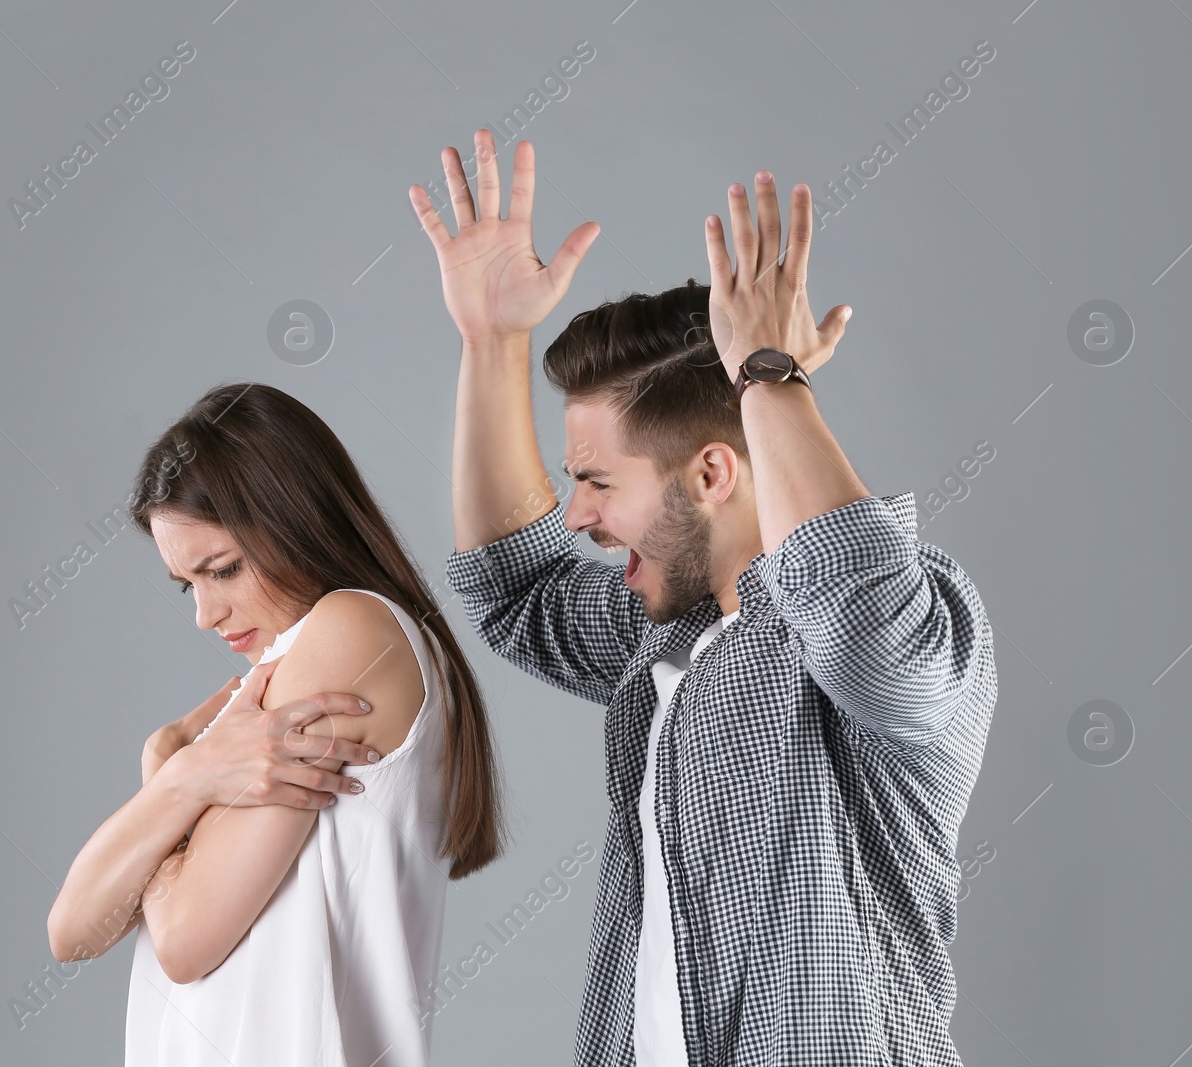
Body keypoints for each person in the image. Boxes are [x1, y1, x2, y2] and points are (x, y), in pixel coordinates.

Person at [412, 129, 998, 1064]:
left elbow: (866, 633)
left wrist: (768, 376)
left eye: (598, 482)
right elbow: (514, 590)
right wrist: (492, 341)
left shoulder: (903, 615)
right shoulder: (677, 638)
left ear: (713, 472)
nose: (576, 517)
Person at [45, 382, 504, 1066]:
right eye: (186, 584)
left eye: (222, 569)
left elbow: (183, 941)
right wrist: (177, 777)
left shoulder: (350, 629)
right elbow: (71, 930)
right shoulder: (283, 674)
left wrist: (176, 777)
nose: (205, 613)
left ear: (296, 520)